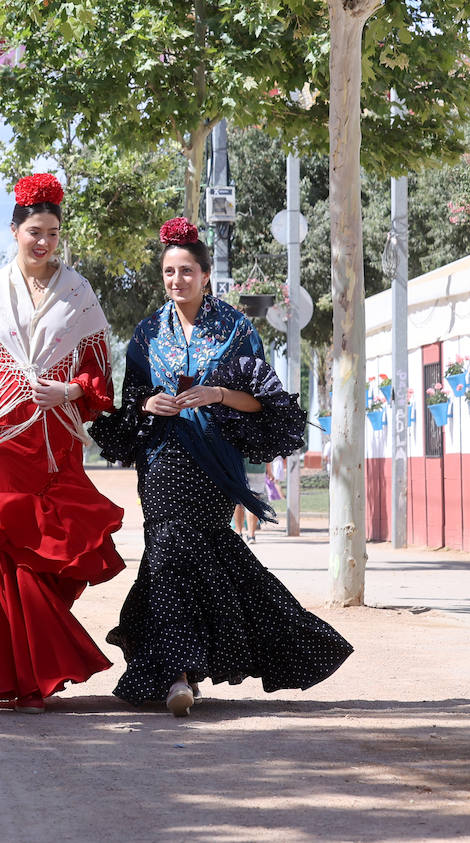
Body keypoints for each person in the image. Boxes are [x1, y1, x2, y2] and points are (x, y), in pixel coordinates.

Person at [90, 217, 351, 717]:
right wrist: (152, 406)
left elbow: (264, 404)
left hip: (215, 464)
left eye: (186, 271)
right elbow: (132, 402)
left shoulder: (235, 330)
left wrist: (217, 394)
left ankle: (234, 652)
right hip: (163, 459)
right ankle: (177, 676)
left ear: (206, 275)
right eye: (168, 272)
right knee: (166, 547)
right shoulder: (146, 333)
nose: (176, 280)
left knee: (195, 557)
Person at [0, 173, 125, 713]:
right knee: (5, 557)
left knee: (57, 554)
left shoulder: (79, 294)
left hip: (55, 442)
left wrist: (68, 389)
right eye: (34, 231)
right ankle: (21, 677)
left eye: (52, 232)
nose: (43, 241)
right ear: (14, 230)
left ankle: (24, 670)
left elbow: (100, 379)